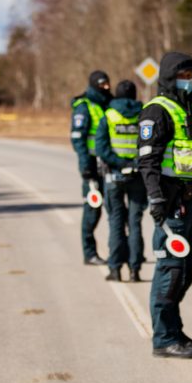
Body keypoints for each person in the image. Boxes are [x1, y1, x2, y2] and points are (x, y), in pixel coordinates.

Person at [138, 51, 192, 359]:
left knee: (185, 273)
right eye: (182, 76)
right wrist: (156, 199)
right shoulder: (156, 112)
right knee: (170, 272)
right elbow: (147, 161)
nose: (188, 81)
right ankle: (163, 338)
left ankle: (174, 330)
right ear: (168, 77)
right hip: (172, 206)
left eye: (191, 75)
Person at [94, 80, 148, 282]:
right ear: (134, 95)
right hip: (137, 176)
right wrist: (133, 162)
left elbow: (101, 148)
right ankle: (135, 270)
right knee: (135, 223)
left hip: (114, 176)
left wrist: (118, 162)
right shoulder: (143, 114)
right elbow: (148, 144)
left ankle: (115, 269)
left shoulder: (109, 115)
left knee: (116, 222)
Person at [71, 70, 112, 266]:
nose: (106, 87)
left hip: (110, 165)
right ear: (94, 84)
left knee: (114, 209)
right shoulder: (83, 106)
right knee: (92, 210)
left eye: (108, 83)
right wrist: (86, 166)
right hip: (92, 168)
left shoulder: (110, 103)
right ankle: (89, 253)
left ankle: (119, 252)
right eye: (102, 84)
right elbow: (78, 140)